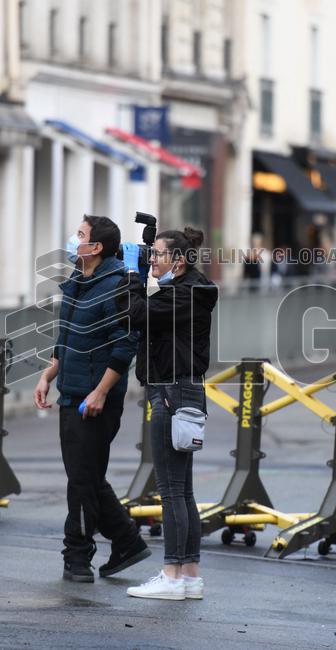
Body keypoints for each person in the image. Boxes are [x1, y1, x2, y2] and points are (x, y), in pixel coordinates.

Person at [33, 215, 149, 583]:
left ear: (96, 247)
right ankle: (127, 540)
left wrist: (100, 392)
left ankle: (77, 556)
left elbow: (125, 343)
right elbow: (66, 336)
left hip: (95, 401)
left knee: (82, 481)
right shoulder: (77, 282)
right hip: (72, 392)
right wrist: (48, 374)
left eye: (79, 235)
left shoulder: (116, 284)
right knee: (88, 477)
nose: (73, 239)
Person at [117, 226, 218, 601]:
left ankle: (172, 574)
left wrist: (131, 274)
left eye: (157, 254)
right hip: (181, 390)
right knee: (183, 490)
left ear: (178, 259)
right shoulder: (188, 290)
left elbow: (133, 314)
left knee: (172, 490)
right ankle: (189, 574)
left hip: (171, 392)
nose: (151, 259)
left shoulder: (183, 293)